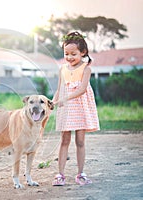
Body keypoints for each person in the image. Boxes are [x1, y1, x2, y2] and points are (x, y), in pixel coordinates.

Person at [52, 31, 100, 186]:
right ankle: (60, 174)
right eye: (66, 54)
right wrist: (53, 102)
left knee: (80, 141)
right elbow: (59, 89)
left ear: (83, 52)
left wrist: (66, 97)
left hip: (80, 106)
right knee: (64, 140)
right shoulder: (62, 69)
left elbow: (82, 89)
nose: (69, 57)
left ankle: (80, 174)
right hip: (66, 108)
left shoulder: (86, 69)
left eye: (73, 54)